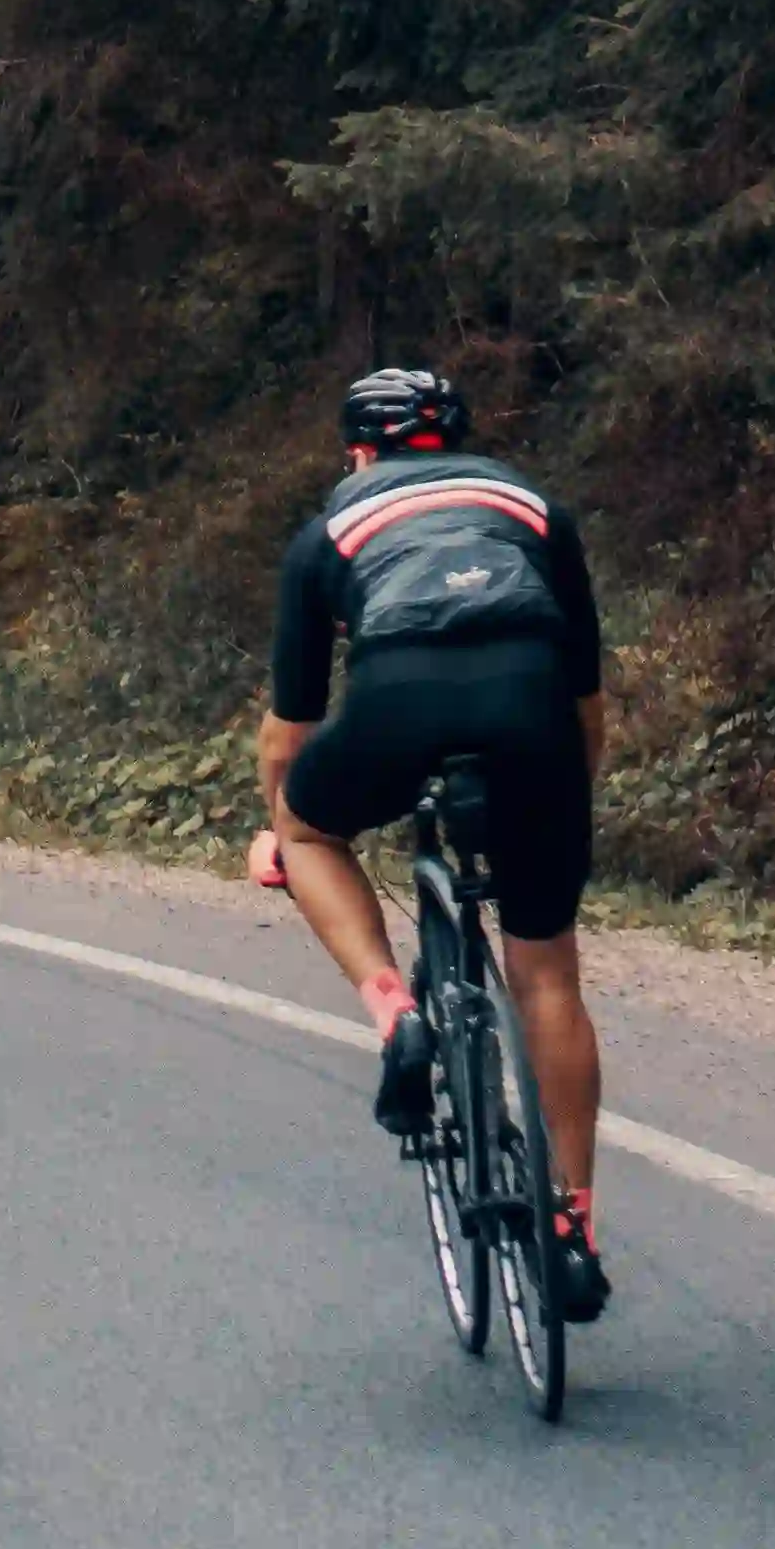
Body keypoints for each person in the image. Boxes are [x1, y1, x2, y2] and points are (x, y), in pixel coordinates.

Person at [251, 364, 613, 1321]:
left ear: (358, 453)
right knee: (548, 980)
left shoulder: (328, 530)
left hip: (395, 698)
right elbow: (587, 701)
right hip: (534, 714)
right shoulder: (534, 508)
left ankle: (394, 1012)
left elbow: (290, 734)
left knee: (306, 823)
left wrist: (275, 828)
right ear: (458, 440)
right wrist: (569, 794)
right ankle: (572, 1225)